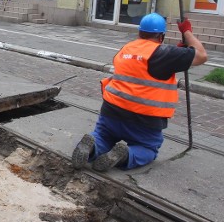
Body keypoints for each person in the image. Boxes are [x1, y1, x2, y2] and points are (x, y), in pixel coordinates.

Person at [72, 13, 208, 172]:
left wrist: (176, 55)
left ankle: (92, 148)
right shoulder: (165, 54)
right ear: (161, 36)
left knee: (103, 137)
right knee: (149, 148)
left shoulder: (126, 48)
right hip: (143, 121)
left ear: (140, 32)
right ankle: (126, 156)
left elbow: (143, 65)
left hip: (111, 113)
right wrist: (187, 32)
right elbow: (202, 55)